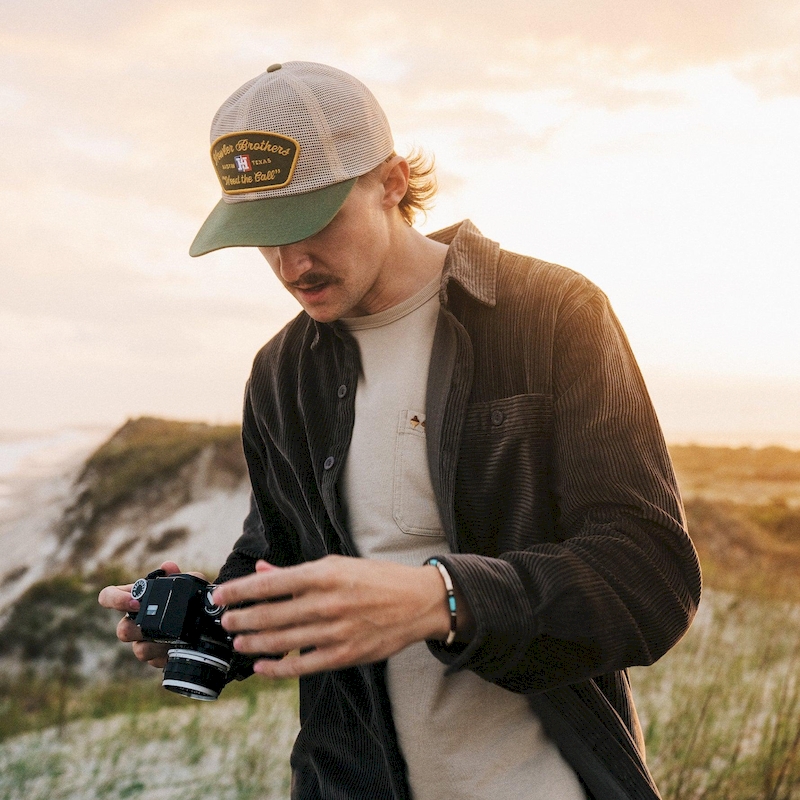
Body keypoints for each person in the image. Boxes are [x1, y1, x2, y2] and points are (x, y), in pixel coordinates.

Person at [99, 61, 701, 800]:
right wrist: (202, 625)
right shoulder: (280, 374)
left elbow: (650, 577)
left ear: (389, 182)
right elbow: (277, 571)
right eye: (263, 234)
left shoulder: (554, 313)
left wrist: (442, 598)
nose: (291, 263)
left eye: (311, 221)